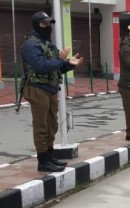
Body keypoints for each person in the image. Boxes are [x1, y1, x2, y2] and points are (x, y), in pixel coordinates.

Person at [21, 11, 83, 172]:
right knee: (41, 126)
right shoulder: (31, 45)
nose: (48, 27)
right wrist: (61, 58)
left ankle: (49, 155)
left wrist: (69, 64)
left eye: (49, 23)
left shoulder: (48, 44)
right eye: (44, 24)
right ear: (36, 25)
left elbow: (57, 67)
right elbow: (41, 66)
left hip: (50, 88)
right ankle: (42, 160)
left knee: (52, 125)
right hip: (36, 89)